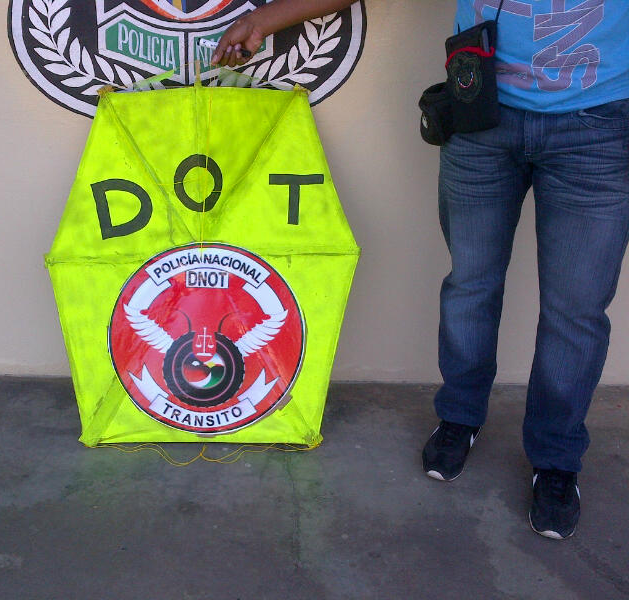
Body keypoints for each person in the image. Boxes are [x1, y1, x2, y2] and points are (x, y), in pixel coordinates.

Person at [213, 0, 629, 540]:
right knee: (471, 285)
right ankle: (460, 416)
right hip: (479, 112)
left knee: (576, 310)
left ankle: (556, 458)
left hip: (598, 127)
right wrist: (262, 20)